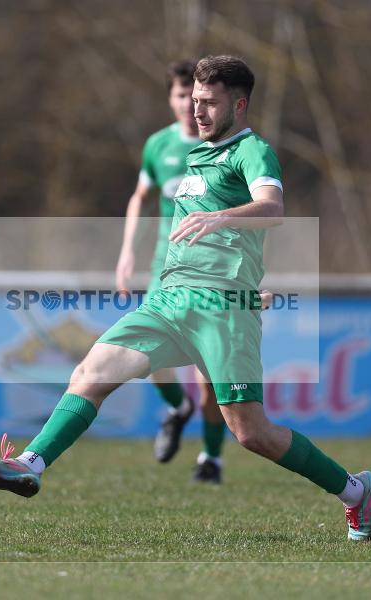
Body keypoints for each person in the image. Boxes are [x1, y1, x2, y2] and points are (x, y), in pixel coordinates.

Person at [0, 55, 371, 541]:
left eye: (209, 103)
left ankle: (355, 491)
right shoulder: (194, 155)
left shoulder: (252, 151)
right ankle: (31, 464)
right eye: (194, 101)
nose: (196, 112)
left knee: (252, 434)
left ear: (239, 105)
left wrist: (227, 236)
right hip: (170, 302)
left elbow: (273, 208)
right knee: (90, 373)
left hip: (222, 313)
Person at [114, 59, 226, 482]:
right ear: (170, 98)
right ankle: (177, 408)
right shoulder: (158, 146)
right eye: (180, 95)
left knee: (209, 375)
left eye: (194, 96)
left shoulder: (222, 145)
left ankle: (211, 458)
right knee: (147, 353)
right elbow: (139, 197)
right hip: (166, 268)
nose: (186, 104)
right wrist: (126, 252)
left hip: (213, 274)